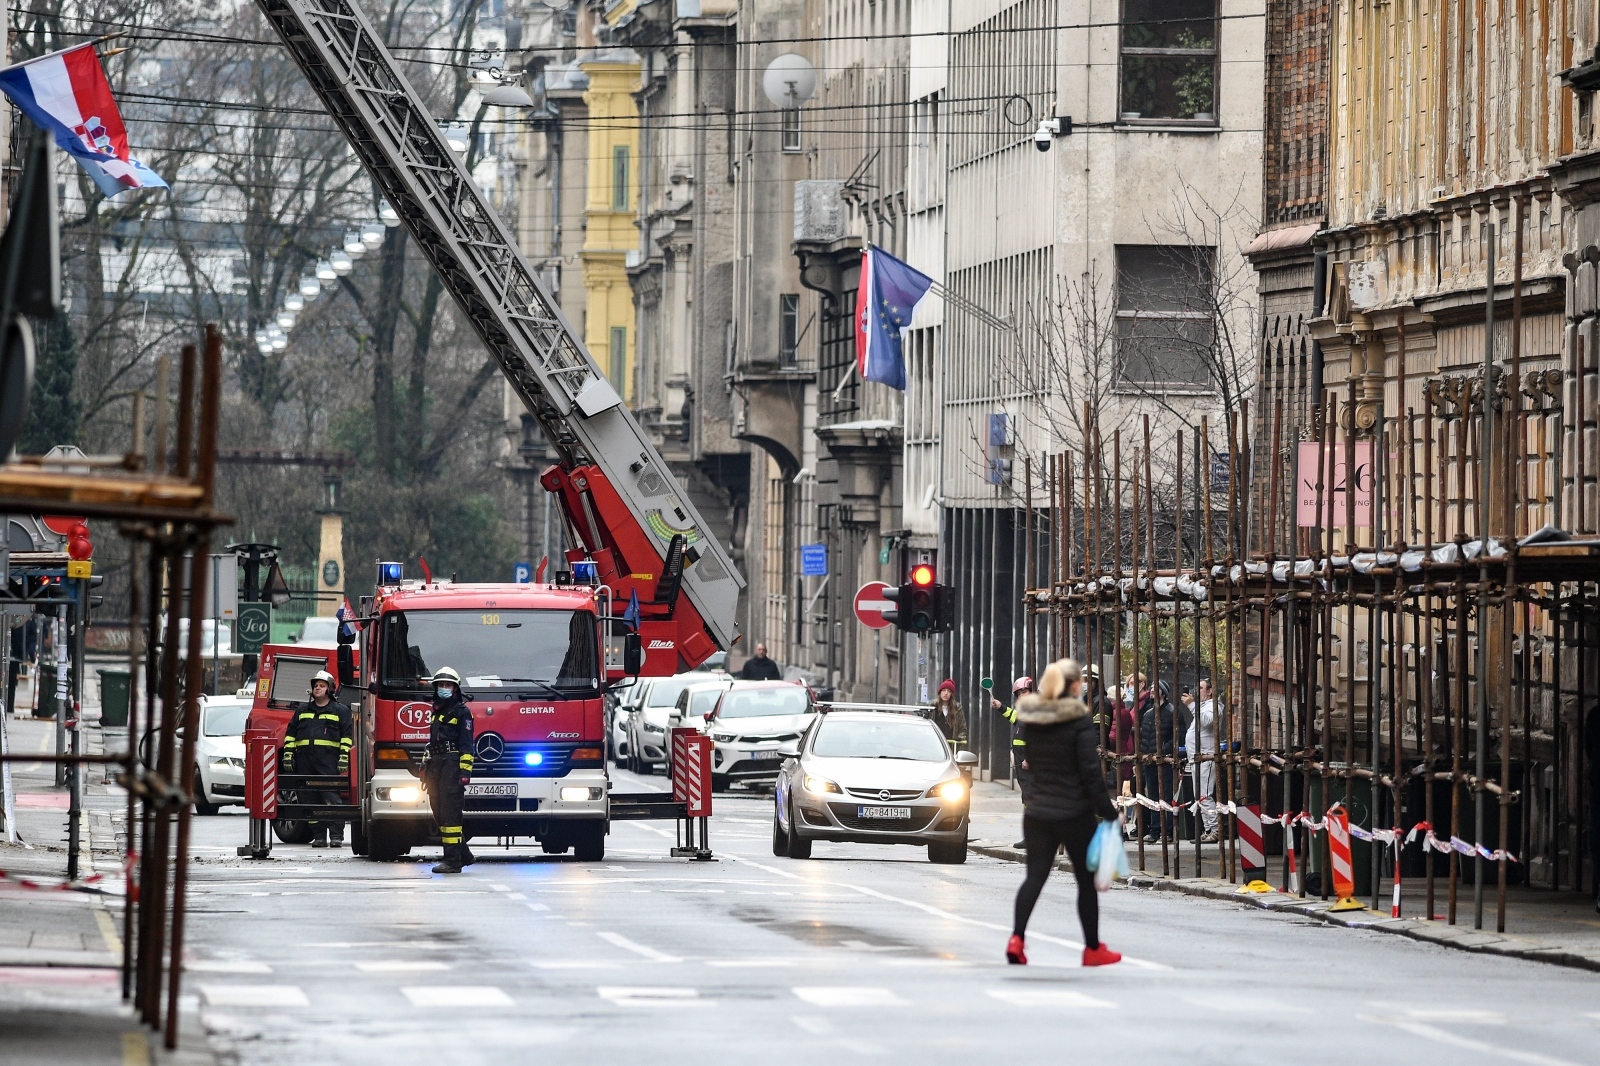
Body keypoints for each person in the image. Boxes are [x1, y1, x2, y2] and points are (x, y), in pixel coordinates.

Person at [1006, 657, 1122, 968]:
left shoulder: (1032, 719)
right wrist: (1109, 814)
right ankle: (1092, 949)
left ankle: (1017, 938)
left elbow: (1029, 759)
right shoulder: (1078, 719)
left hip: (1037, 812)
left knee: (1034, 877)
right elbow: (1089, 772)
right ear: (1073, 685)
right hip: (1074, 813)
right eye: (1080, 682)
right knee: (1085, 882)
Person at [282, 669, 353, 849]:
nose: (317, 688)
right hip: (305, 761)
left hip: (328, 761)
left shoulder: (341, 711)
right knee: (309, 799)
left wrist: (344, 757)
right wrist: (289, 754)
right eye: (315, 686)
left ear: (330, 689)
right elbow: (291, 734)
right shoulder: (302, 710)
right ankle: (319, 836)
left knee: (331, 799)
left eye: (322, 685)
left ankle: (336, 836)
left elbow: (347, 737)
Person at [424, 667, 475, 874]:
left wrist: (464, 772)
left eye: (448, 685)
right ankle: (464, 854)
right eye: (441, 685)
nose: (444, 688)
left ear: (455, 688)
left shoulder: (462, 712)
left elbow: (466, 745)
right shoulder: (436, 711)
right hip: (435, 765)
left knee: (450, 814)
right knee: (437, 811)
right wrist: (424, 764)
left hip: (452, 766)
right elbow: (431, 743)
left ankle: (452, 861)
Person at [995, 676, 1035, 846]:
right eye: (1018, 693)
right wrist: (1000, 707)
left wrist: (1030, 758)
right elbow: (1013, 717)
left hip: (1028, 762)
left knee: (1032, 797)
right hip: (1021, 761)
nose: (1021, 695)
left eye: (1024, 691)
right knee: (1027, 798)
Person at [1137, 679, 1176, 843]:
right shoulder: (1148, 713)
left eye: (1156, 687)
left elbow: (1177, 736)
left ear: (1164, 692)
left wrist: (1164, 749)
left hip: (1164, 761)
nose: (1152, 689)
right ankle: (1154, 831)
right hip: (1149, 761)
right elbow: (1142, 736)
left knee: (1165, 796)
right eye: (1152, 687)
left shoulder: (1172, 712)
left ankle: (1166, 831)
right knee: (1152, 796)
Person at [1185, 678, 1220, 843]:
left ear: (1210, 690)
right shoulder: (1202, 707)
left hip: (1206, 756)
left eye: (1201, 687)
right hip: (1196, 758)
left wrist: (1191, 705)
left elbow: (1206, 722)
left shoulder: (1215, 706)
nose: (1197, 691)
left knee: (1205, 795)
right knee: (1199, 796)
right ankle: (1208, 829)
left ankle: (1215, 830)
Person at [933, 680, 966, 748]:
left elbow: (962, 727)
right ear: (940, 692)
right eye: (944, 690)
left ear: (951, 694)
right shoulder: (932, 707)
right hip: (934, 745)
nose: (946, 693)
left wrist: (959, 738)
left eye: (949, 691)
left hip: (951, 746)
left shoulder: (957, 708)